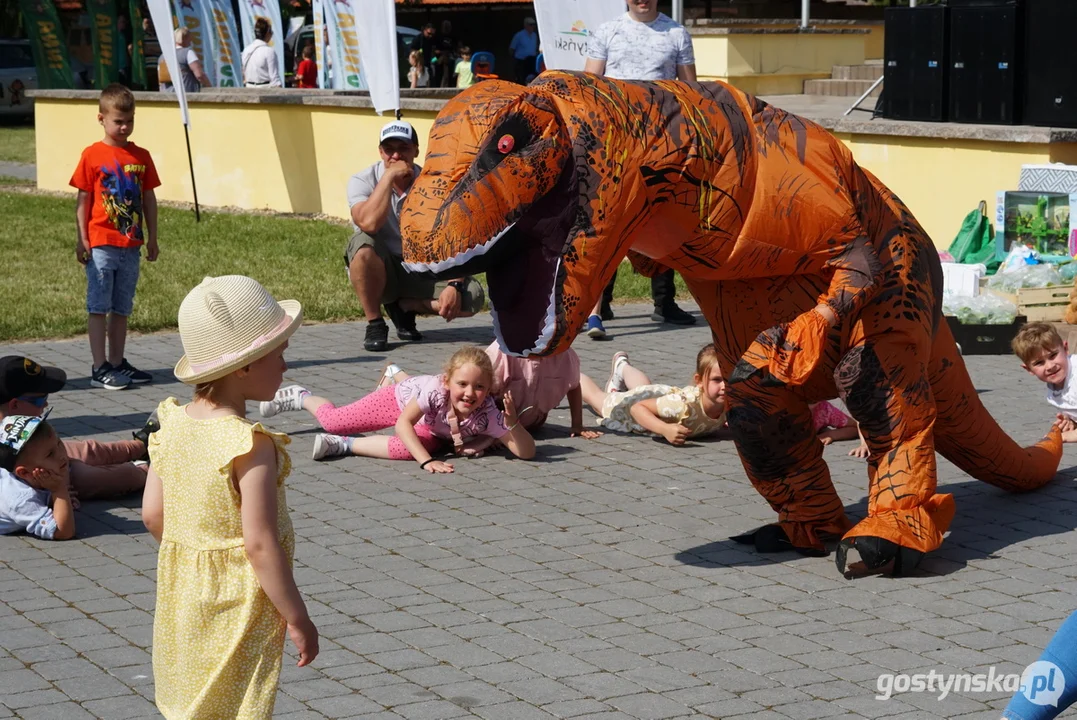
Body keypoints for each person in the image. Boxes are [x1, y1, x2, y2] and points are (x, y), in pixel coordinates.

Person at [142, 275, 318, 717]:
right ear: (243, 366)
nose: (285, 366)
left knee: (193, 698)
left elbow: (152, 515)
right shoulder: (249, 443)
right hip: (241, 600)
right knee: (238, 702)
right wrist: (297, 617)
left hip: (184, 592)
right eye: (278, 354)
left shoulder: (171, 423)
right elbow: (259, 543)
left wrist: (196, 560)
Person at [582, 0, 699, 339]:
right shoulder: (608, 31)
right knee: (611, 220)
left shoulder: (677, 33)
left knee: (661, 219)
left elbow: (691, 92)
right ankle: (600, 304)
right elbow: (590, 89)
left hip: (662, 141)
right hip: (616, 142)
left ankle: (665, 302)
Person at [259, 346, 536, 469]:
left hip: (432, 427)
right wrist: (426, 462)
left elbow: (527, 453)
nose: (470, 393)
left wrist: (511, 423)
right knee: (333, 420)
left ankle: (342, 444)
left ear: (489, 390)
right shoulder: (435, 390)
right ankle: (302, 396)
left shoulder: (487, 411)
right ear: (447, 381)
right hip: (400, 400)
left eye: (479, 387)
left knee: (409, 448)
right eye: (462, 384)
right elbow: (402, 423)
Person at [345, 120, 484, 352]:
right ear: (380, 151)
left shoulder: (435, 184)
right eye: (389, 149)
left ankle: (407, 306)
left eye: (404, 148)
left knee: (472, 297)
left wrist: (454, 284)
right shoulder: (362, 180)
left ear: (417, 151)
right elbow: (369, 223)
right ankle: (375, 323)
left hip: (421, 269)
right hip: (383, 269)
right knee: (362, 247)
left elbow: (458, 235)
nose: (396, 155)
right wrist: (389, 178)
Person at [70, 84, 160, 391]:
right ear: (101, 118)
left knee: (122, 307)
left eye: (130, 120)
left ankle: (118, 362)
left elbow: (148, 198)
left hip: (130, 246)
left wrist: (153, 237)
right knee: (99, 305)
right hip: (101, 244)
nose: (124, 127)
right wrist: (83, 239)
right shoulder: (92, 155)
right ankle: (99, 367)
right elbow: (83, 200)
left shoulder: (141, 156)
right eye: (118, 121)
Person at [0, 356, 151, 500]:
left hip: (51, 457)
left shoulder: (24, 420)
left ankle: (142, 444)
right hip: (47, 478)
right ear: (15, 405)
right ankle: (150, 470)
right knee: (120, 477)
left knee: (90, 450)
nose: (46, 404)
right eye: (41, 399)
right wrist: (59, 492)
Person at [579, 345, 727, 445]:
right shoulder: (682, 406)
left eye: (728, 379)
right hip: (631, 409)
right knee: (598, 399)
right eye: (717, 380)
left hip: (658, 399)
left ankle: (623, 367)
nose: (725, 386)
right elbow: (637, 408)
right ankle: (568, 373)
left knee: (644, 389)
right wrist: (664, 429)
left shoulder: (732, 401)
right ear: (699, 381)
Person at [0, 413, 75, 540]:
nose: (61, 454)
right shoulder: (21, 500)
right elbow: (62, 531)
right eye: (50, 454)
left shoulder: (36, 472)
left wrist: (56, 499)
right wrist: (60, 492)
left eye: (59, 443)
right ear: (25, 473)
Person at [1013, 322, 1077, 442]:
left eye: (1053, 355)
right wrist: (1071, 420)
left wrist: (1066, 437)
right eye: (1039, 363)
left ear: (1065, 348)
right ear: (1028, 369)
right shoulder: (1054, 390)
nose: (1050, 366)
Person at [158, 27, 210, 93]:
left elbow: (160, 80)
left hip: (167, 95)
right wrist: (209, 87)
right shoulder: (188, 52)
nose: (191, 40)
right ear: (185, 38)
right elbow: (199, 75)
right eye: (190, 38)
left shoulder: (162, 56)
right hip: (186, 94)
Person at [242, 17, 283, 88]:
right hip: (265, 90)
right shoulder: (269, 51)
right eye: (271, 32)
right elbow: (274, 79)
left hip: (249, 88)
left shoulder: (246, 50)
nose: (272, 34)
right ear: (267, 33)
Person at [509, 17, 539, 84]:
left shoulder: (534, 35)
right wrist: (515, 61)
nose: (533, 26)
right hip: (521, 61)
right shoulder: (519, 35)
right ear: (526, 25)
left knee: (532, 79)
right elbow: (512, 48)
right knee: (521, 79)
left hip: (532, 61)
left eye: (534, 24)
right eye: (531, 24)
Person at [117, 14, 133, 88]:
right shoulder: (112, 34)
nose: (124, 24)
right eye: (122, 22)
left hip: (124, 66)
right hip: (117, 66)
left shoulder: (123, 34)